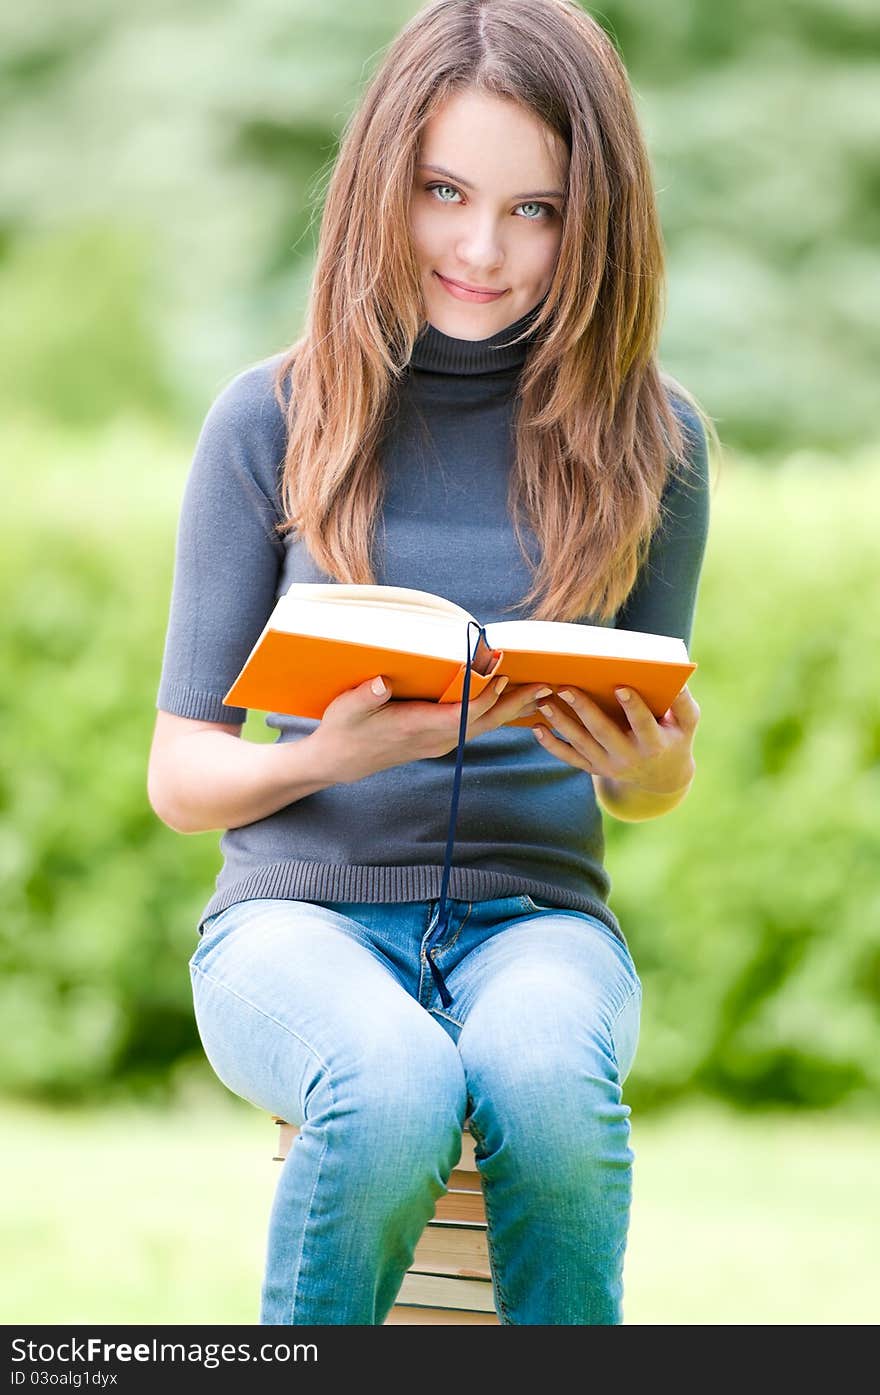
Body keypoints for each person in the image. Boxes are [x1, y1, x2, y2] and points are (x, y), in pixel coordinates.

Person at [148, 0, 716, 1326]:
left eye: (538, 209)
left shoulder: (655, 441)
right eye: (444, 192)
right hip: (296, 922)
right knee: (391, 1079)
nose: (482, 246)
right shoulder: (273, 418)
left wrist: (651, 772)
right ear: (379, 186)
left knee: (547, 1081)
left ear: (599, 222)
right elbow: (180, 780)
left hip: (539, 924)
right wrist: (335, 754)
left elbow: (646, 793)